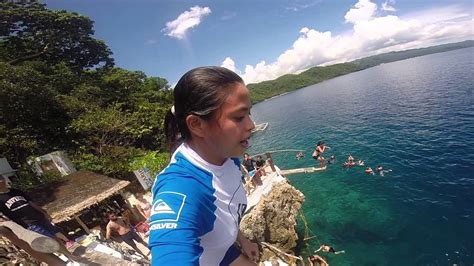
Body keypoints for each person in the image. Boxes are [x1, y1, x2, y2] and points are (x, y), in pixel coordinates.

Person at [150, 66, 259, 265]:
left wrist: (242, 239)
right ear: (197, 125)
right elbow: (171, 250)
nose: (251, 124)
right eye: (239, 117)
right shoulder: (181, 188)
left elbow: (224, 211)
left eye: (249, 113)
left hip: (223, 251)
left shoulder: (226, 156)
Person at [0, 175, 79, 262]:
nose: (1, 182)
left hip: (40, 217)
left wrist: (44, 213)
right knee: (50, 240)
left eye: (1, 179)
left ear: (4, 179)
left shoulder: (16, 191)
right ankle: (69, 256)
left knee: (55, 236)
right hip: (29, 224)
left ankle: (68, 255)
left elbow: (31, 203)